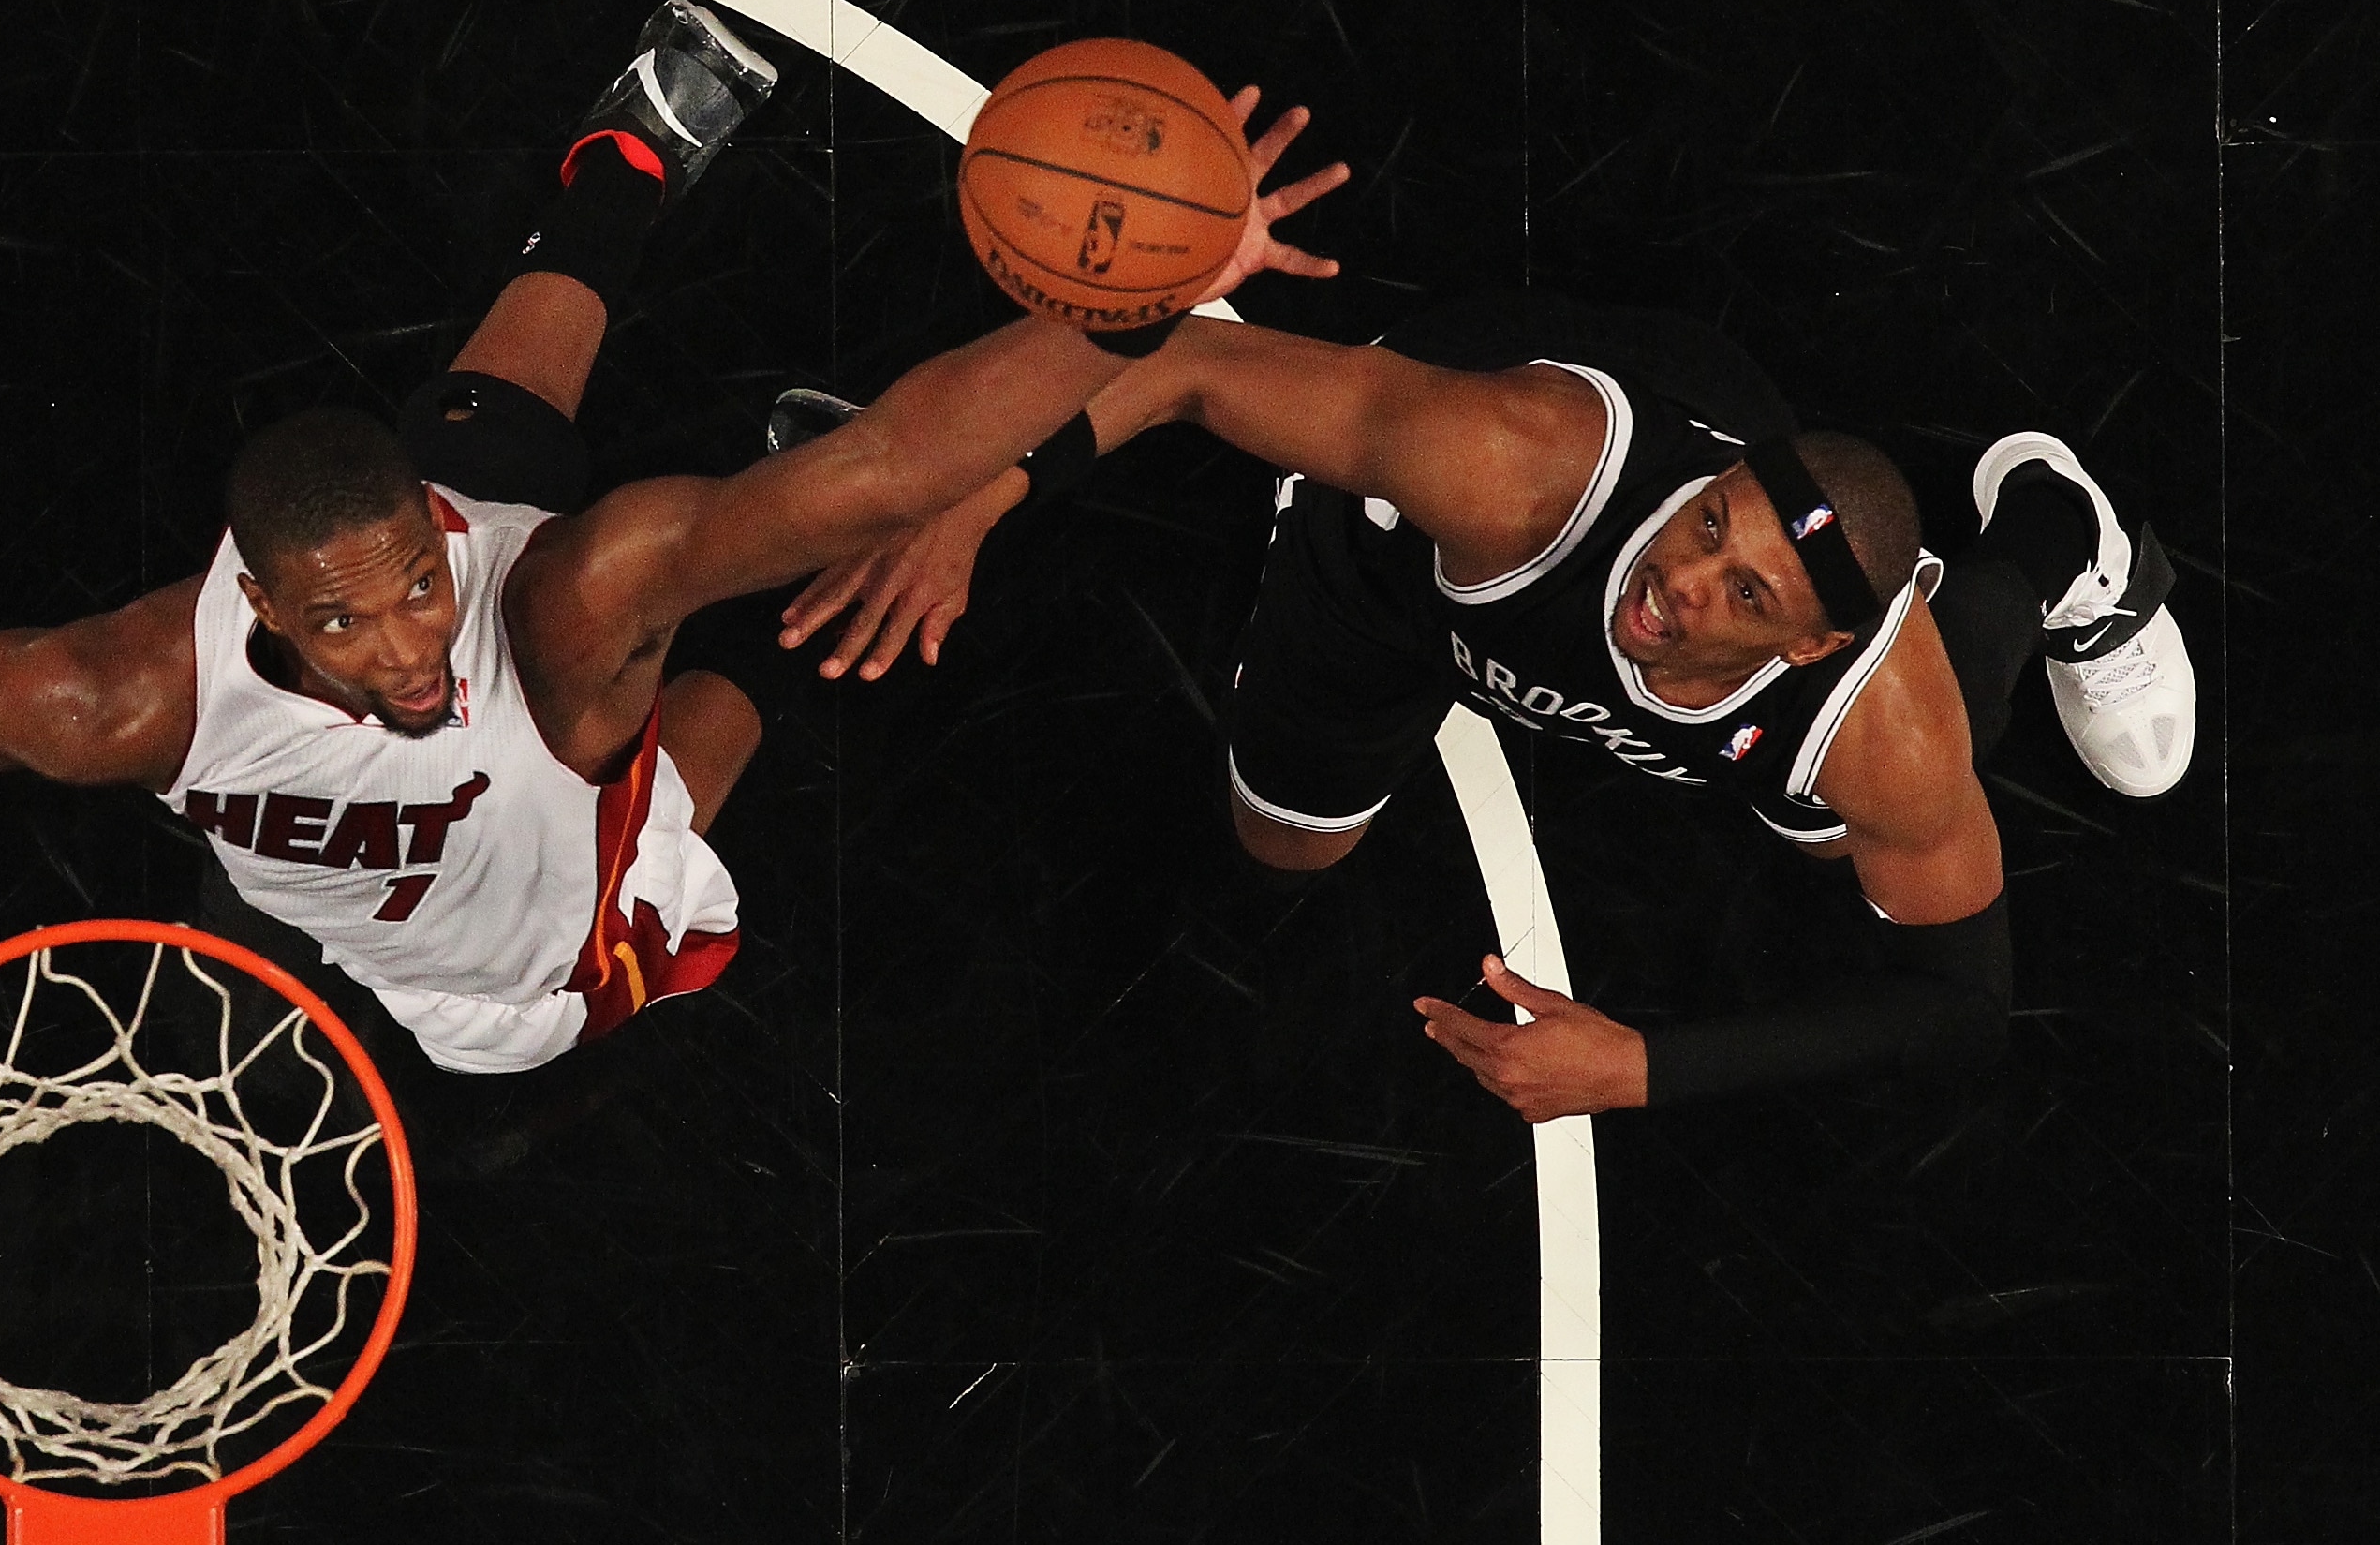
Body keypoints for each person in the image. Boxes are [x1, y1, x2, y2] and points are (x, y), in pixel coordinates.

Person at [0, 0, 1337, 1075]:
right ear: (256, 601)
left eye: (408, 585)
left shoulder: (500, 604)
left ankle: (623, 157)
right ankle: (694, 633)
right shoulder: (122, 693)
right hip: (541, 959)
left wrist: (1132, 294)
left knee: (625, 530)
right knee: (727, 702)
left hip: (551, 669)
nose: (403, 640)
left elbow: (903, 468)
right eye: (357, 622)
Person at [776, 106, 2195, 1124]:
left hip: (1791, 686)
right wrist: (970, 498)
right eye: (1709, 522)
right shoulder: (1507, 468)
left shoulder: (1874, 715)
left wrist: (1636, 1069)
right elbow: (1186, 367)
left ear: (1811, 643)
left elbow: (1960, 1012)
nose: (1679, 582)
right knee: (1276, 856)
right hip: (1397, 574)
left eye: (1743, 590)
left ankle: (2055, 536)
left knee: (1859, 802)